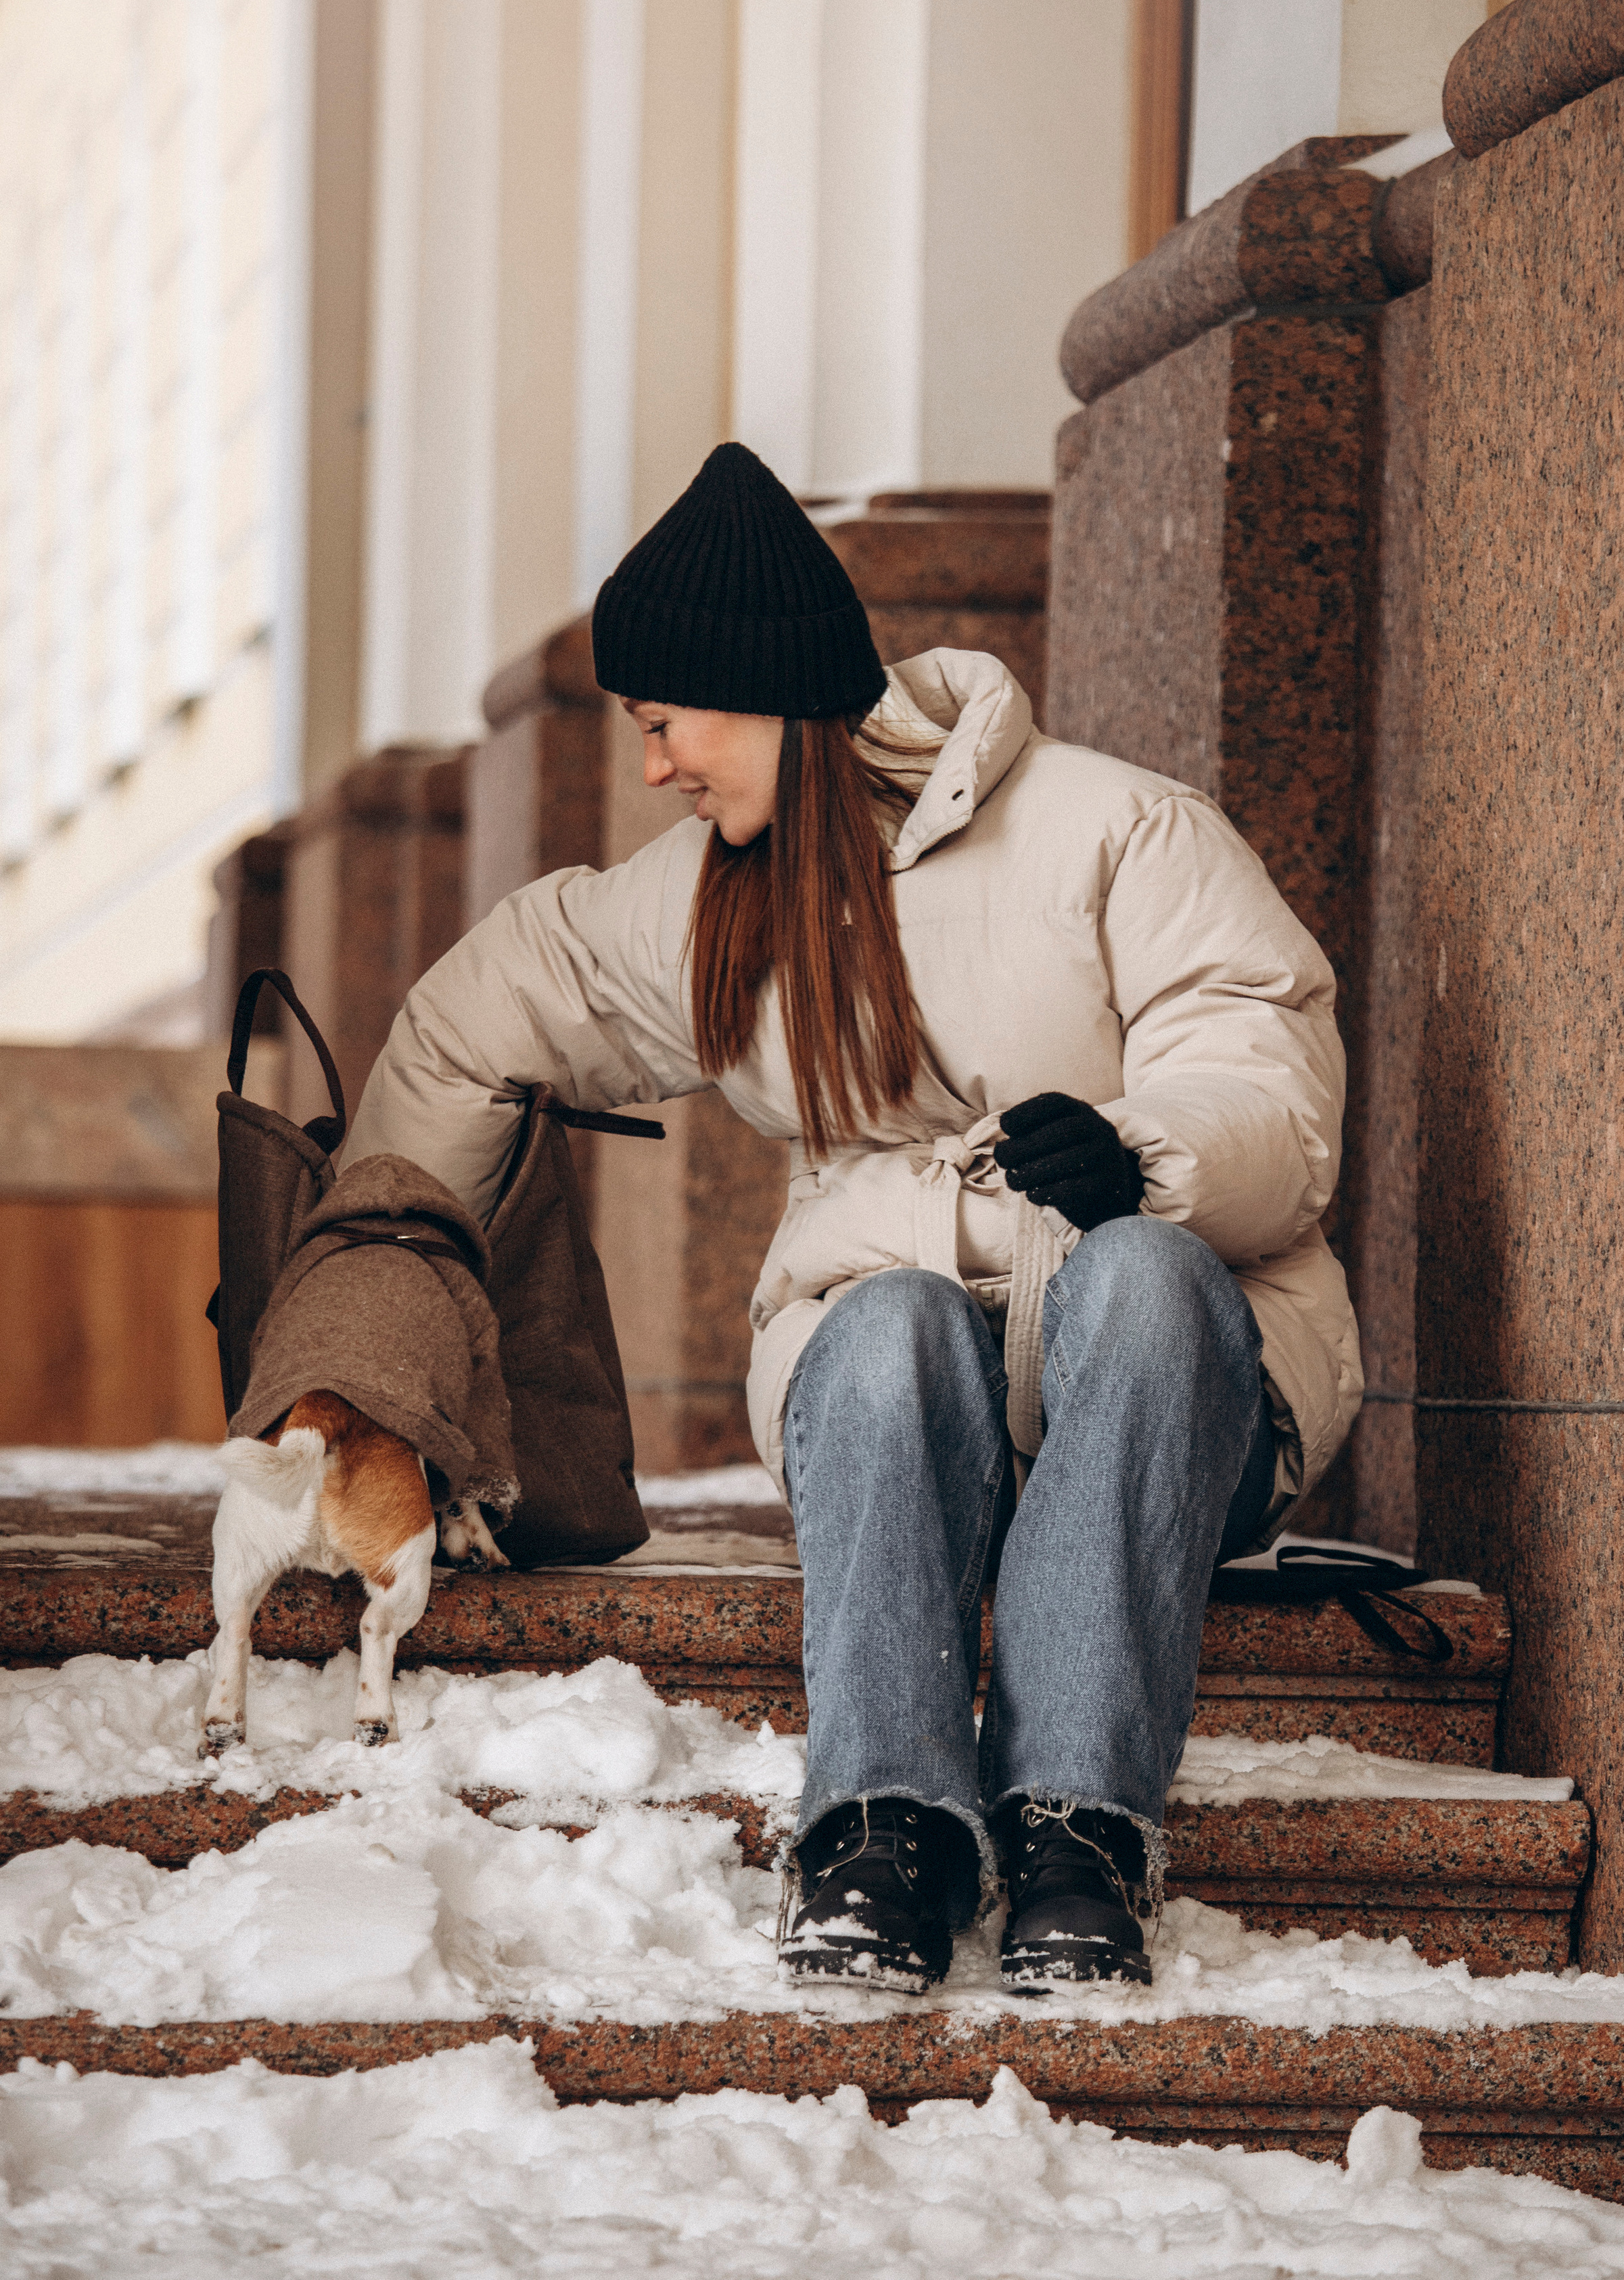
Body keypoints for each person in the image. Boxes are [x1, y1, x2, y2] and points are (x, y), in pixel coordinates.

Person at [344, 442, 1362, 1993]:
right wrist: (374, 1311)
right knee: (881, 1322)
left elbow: (1268, 1090)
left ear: (755, 694)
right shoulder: (705, 899)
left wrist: (1143, 1156)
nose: (655, 768)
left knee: (1148, 1277)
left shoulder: (1121, 833)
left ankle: (1076, 1830)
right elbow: (467, 1026)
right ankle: (883, 1827)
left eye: (664, 722)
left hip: (1168, 1405)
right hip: (899, 1403)